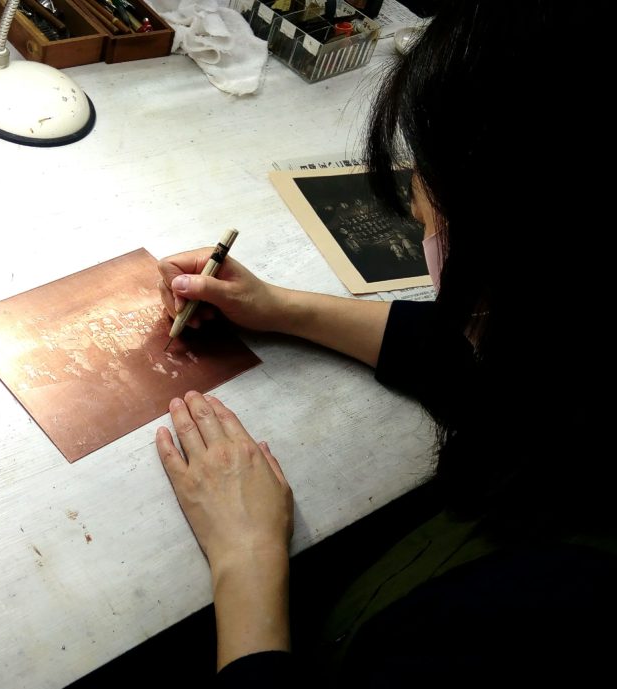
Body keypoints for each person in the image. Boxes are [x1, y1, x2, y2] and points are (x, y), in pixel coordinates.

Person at [153, 1, 616, 685]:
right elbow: (477, 367)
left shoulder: (538, 616)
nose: (423, 227)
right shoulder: (576, 368)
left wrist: (246, 559)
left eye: (431, 217)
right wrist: (280, 308)